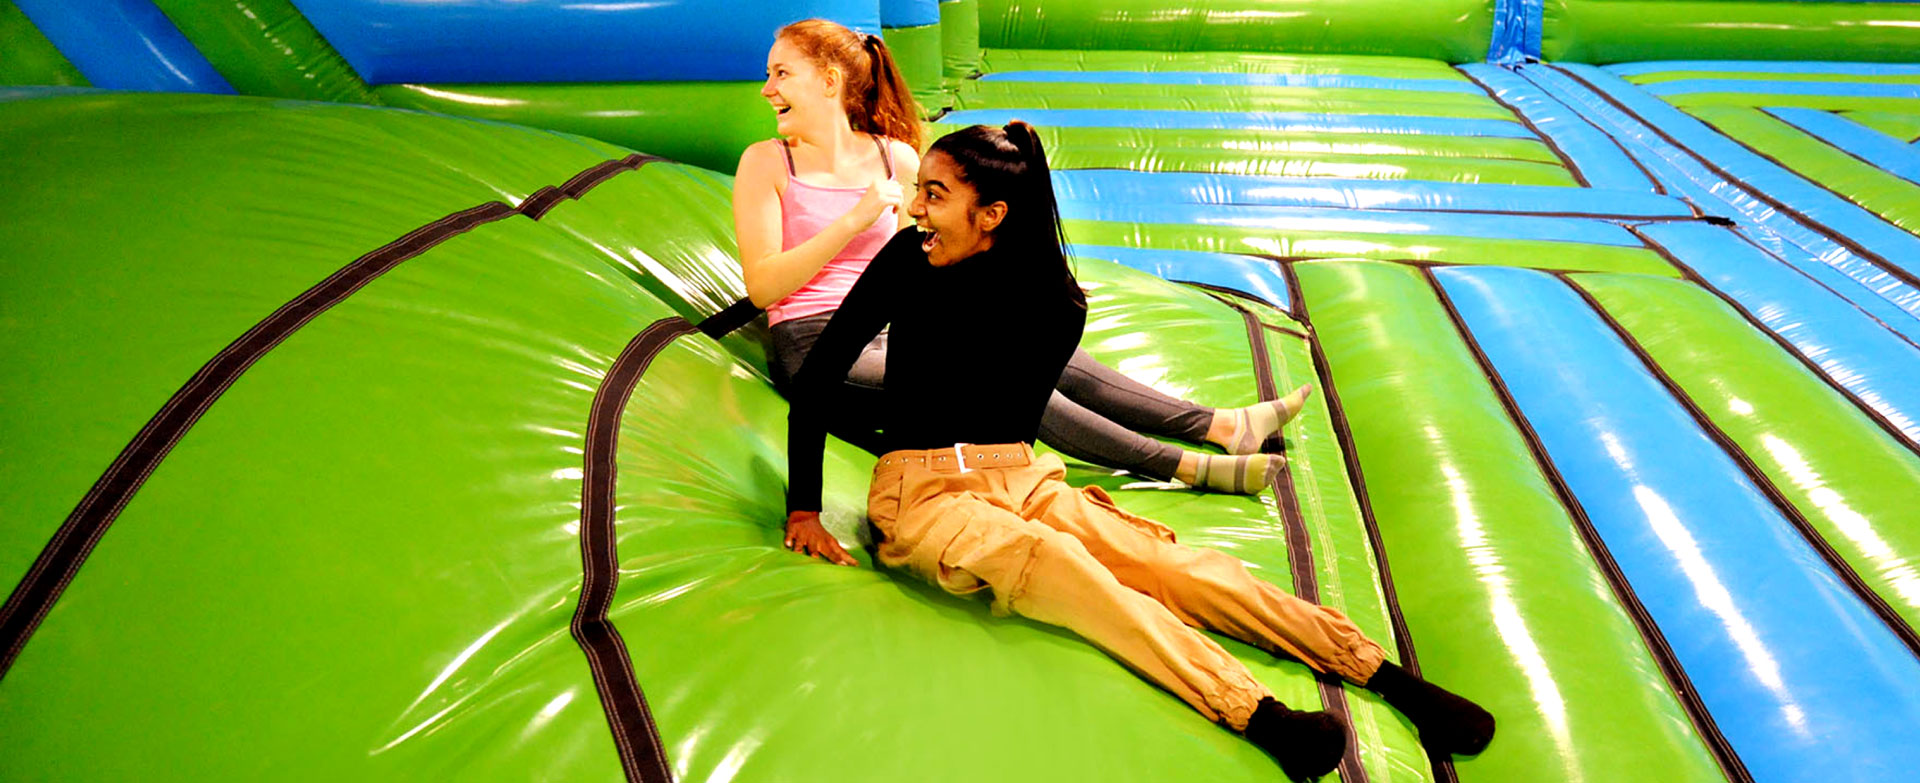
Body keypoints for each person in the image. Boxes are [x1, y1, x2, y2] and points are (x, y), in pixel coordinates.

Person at [782, 121, 1495, 780]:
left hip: (1020, 475)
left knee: (1170, 564)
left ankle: (1377, 670)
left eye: (934, 196)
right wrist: (805, 508)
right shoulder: (909, 260)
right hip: (923, 494)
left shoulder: (1055, 303)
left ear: (993, 213)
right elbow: (820, 374)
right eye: (919, 192)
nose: (915, 209)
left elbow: (1012, 421)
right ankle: (1258, 712)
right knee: (1066, 568)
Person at [733, 19, 1312, 522]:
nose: (767, 89)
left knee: (1050, 357)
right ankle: (1184, 465)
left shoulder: (895, 156)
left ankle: (1217, 425)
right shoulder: (767, 163)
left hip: (899, 324)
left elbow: (958, 234)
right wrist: (854, 220)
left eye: (781, 74)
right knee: (988, 374)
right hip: (818, 337)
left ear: (829, 81)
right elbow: (761, 286)